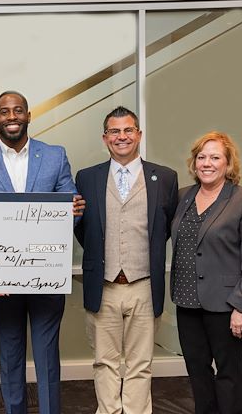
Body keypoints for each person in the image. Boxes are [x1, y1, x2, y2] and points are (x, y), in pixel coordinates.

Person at [0, 90, 82, 414]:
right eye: (5, 112)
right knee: (10, 357)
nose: (12, 117)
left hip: (46, 277)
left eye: (18, 111)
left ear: (29, 115)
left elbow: (71, 206)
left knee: (47, 360)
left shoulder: (55, 156)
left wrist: (74, 211)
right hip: (3, 282)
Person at [74, 106, 178, 414]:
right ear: (105, 138)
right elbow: (85, 229)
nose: (122, 137)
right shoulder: (87, 177)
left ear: (139, 135)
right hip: (102, 286)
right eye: (115, 131)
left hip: (144, 285)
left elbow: (165, 227)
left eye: (128, 130)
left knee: (140, 364)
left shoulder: (165, 178)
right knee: (104, 362)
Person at [171, 131, 242, 414]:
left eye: (215, 157)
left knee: (227, 375)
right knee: (197, 372)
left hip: (226, 305)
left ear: (228, 164)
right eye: (201, 157)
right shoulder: (183, 197)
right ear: (194, 163)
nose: (207, 163)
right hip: (187, 301)